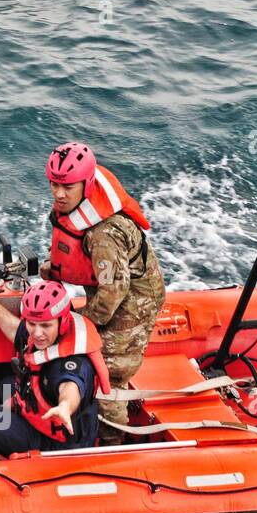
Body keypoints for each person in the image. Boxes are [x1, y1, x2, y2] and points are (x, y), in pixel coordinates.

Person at [41, 141, 165, 444]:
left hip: (133, 302)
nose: (59, 193)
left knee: (105, 372)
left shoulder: (104, 236)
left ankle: (114, 443)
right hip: (111, 290)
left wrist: (77, 325)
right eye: (55, 184)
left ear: (86, 184)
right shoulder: (76, 209)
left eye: (67, 186)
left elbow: (114, 291)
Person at [0, 280, 108, 460]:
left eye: (45, 326)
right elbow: (16, 330)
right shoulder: (42, 335)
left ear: (62, 322)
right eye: (32, 324)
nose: (37, 333)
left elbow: (70, 387)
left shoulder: (73, 364)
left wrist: (65, 407)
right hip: (38, 418)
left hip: (58, 444)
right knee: (1, 386)